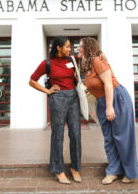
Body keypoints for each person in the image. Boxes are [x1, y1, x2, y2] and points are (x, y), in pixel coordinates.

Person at [77, 37, 138, 184]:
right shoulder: (87, 64)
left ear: (88, 48)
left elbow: (109, 84)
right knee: (109, 138)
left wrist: (110, 106)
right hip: (102, 102)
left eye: (80, 46)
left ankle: (130, 173)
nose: (77, 49)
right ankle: (113, 171)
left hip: (117, 99)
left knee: (122, 136)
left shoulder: (98, 61)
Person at [29, 36, 82, 184]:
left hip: (73, 98)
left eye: (70, 46)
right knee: (58, 135)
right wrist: (47, 91)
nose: (70, 49)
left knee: (76, 134)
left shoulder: (72, 60)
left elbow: (87, 58)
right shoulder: (47, 63)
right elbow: (32, 80)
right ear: (58, 48)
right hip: (57, 99)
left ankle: (75, 168)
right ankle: (58, 170)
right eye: (67, 47)